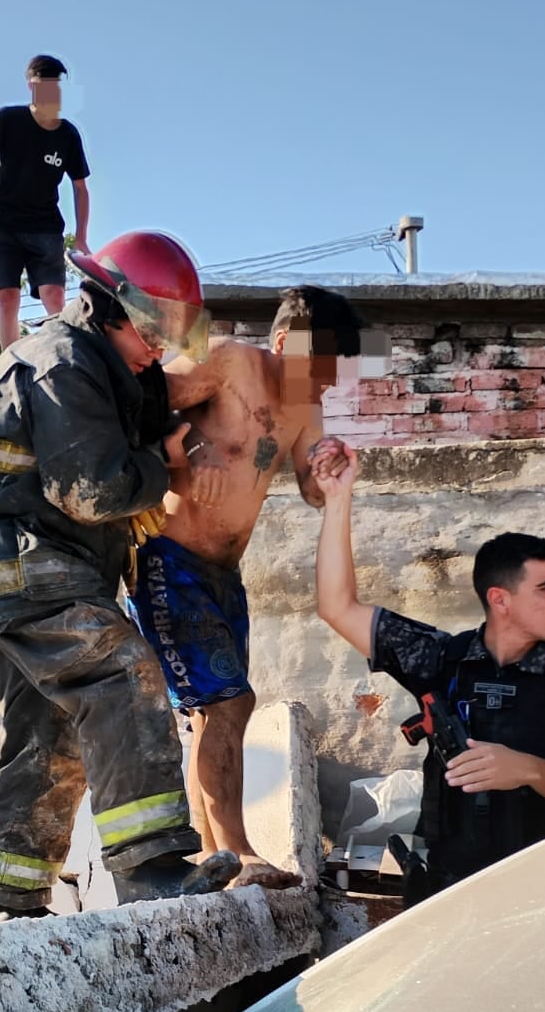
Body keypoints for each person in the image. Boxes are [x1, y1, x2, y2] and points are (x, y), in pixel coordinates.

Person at [0, 230, 242, 921]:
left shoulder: (110, 365)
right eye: (151, 330)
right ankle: (151, 869)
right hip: (25, 565)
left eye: (170, 334)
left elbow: (147, 416)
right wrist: (163, 466)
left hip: (50, 565)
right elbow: (93, 491)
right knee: (122, 674)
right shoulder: (59, 366)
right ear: (110, 306)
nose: (159, 347)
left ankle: (7, 894)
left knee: (50, 733)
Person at [313, 447, 545, 896]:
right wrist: (337, 496)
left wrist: (527, 770)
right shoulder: (444, 659)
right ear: (500, 599)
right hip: (451, 891)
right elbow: (338, 607)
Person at [123, 284, 364, 885]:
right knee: (231, 701)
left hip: (223, 573)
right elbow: (140, 401)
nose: (327, 385)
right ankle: (238, 850)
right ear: (284, 342)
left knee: (213, 711)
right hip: (165, 557)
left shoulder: (306, 404)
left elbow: (311, 487)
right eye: (323, 367)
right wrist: (190, 449)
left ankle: (217, 858)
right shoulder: (229, 363)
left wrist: (329, 466)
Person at [0, 53, 91, 350]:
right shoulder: (8, 119)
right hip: (3, 224)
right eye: (44, 86)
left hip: (45, 226)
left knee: (54, 295)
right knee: (7, 296)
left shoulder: (68, 135)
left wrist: (81, 237)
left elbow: (81, 188)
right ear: (32, 87)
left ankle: (65, 357)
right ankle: (10, 362)